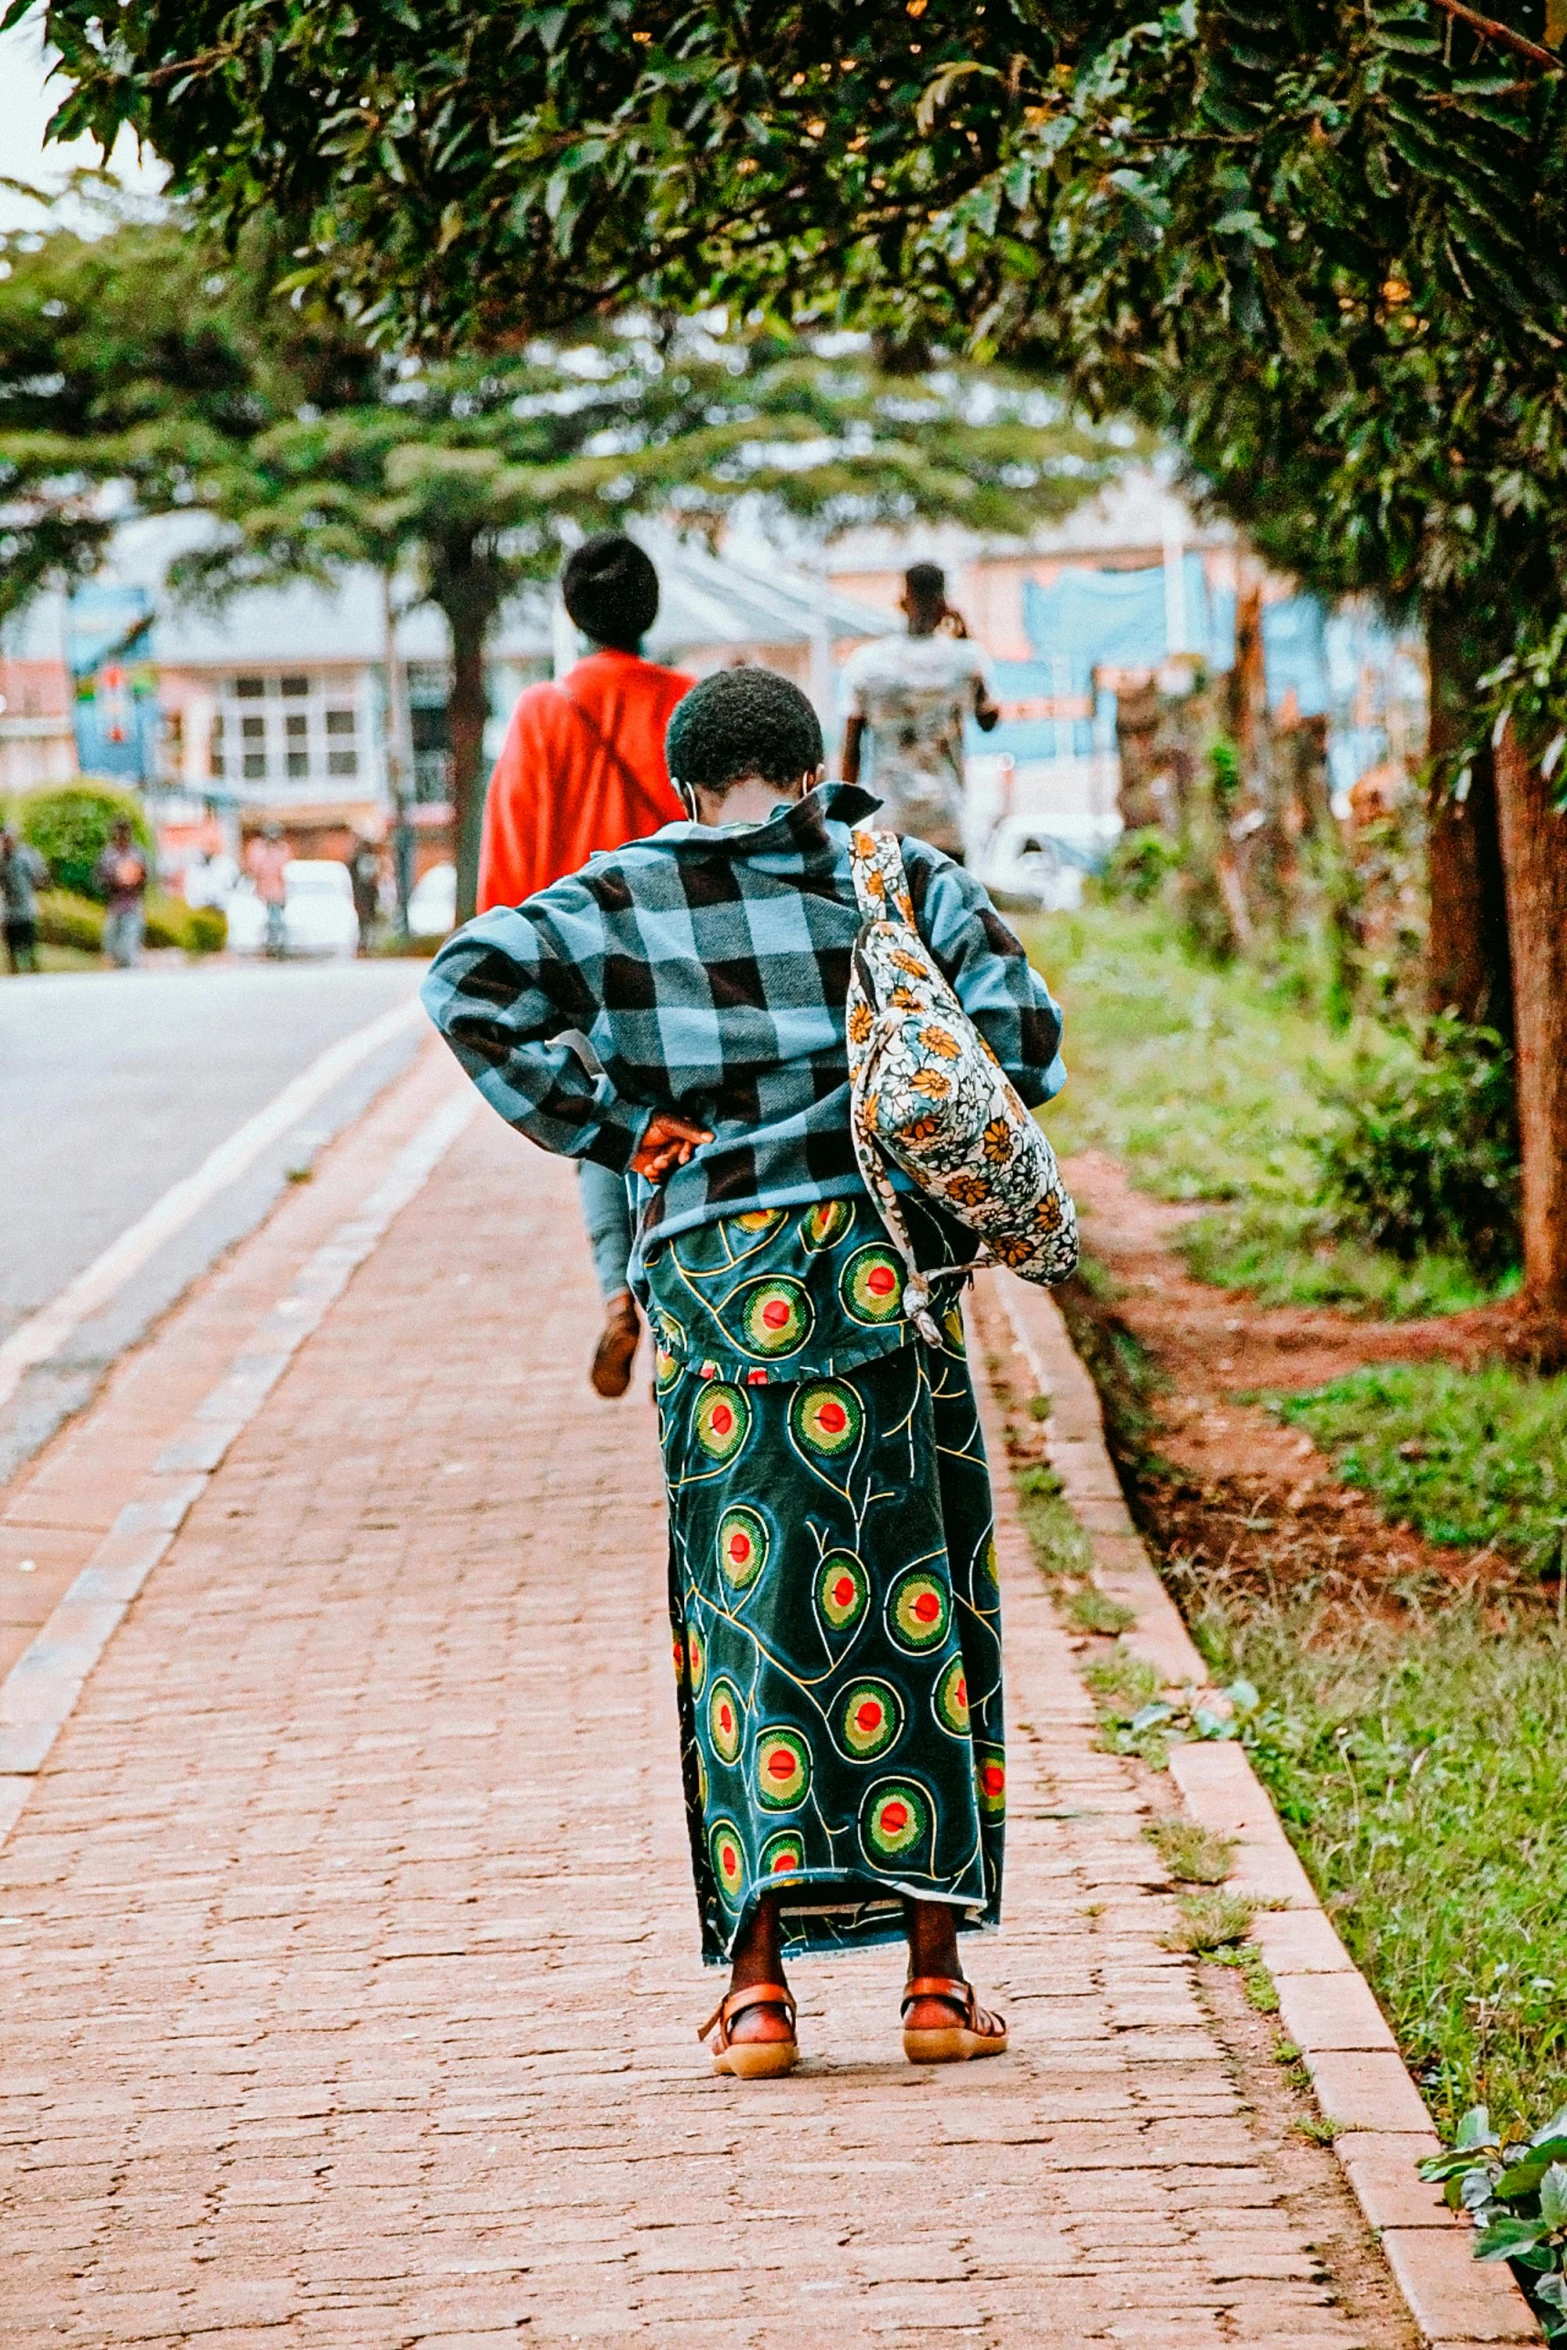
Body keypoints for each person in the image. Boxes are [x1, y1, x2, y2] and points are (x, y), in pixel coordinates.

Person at [423, 666, 1065, 2080]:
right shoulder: (901, 878)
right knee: (914, 1605)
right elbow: (1022, 1044)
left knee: (741, 1612)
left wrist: (614, 1122)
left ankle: (761, 1998)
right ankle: (935, 1988)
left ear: (683, 786)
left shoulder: (615, 894)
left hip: (713, 1292)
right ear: (807, 760)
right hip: (878, 1276)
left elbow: (461, 983)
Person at [477, 532, 695, 1399]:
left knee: (607, 1141)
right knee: (695, 1131)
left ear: (572, 613)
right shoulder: (690, 705)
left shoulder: (542, 713)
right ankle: (688, 1302)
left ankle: (618, 1293)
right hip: (684, 964)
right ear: (650, 610)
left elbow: (507, 874)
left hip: (582, 979)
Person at [840, 561, 1001, 860]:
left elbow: (852, 750)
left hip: (889, 824)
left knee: (882, 908)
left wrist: (840, 820)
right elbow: (989, 719)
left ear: (903, 602)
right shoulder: (966, 659)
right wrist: (965, 636)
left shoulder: (868, 663)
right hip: (947, 822)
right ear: (944, 605)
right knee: (948, 907)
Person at [95, 818, 149, 968]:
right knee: (110, 942)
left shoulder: (136, 853)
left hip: (133, 905)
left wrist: (135, 880)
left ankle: (130, 970)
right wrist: (113, 880)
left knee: (129, 943)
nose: (121, 836)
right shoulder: (108, 855)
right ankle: (119, 966)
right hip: (115, 905)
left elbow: (145, 877)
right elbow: (99, 879)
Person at [0, 826, 49, 974]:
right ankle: (14, 975)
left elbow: (40, 878)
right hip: (9, 910)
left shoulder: (25, 857)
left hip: (25, 908)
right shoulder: (1, 860)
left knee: (29, 946)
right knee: (12, 949)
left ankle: (35, 975)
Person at [245, 824, 291, 958]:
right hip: (262, 892)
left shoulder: (281, 849)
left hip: (278, 892)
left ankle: (277, 946)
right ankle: (270, 946)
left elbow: (284, 868)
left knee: (276, 920)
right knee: (268, 921)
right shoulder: (259, 849)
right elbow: (254, 867)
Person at [347, 834, 382, 949]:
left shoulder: (367, 860)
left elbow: (372, 878)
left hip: (366, 896)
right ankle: (365, 943)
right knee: (365, 921)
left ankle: (367, 943)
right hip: (364, 896)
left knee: (367, 921)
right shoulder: (362, 860)